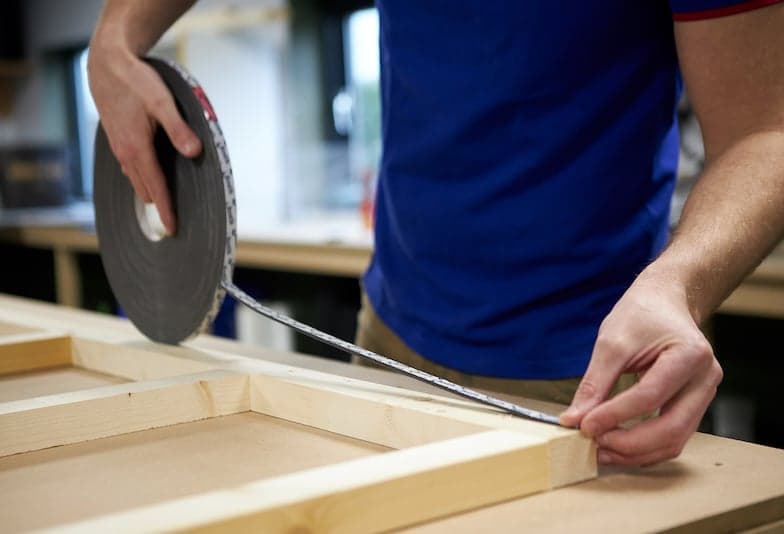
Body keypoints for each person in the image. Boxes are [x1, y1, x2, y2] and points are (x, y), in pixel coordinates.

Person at [88, 0, 784, 466]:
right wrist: (113, 39)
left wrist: (680, 285)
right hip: (388, 339)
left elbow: (765, 132)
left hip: (589, 380)